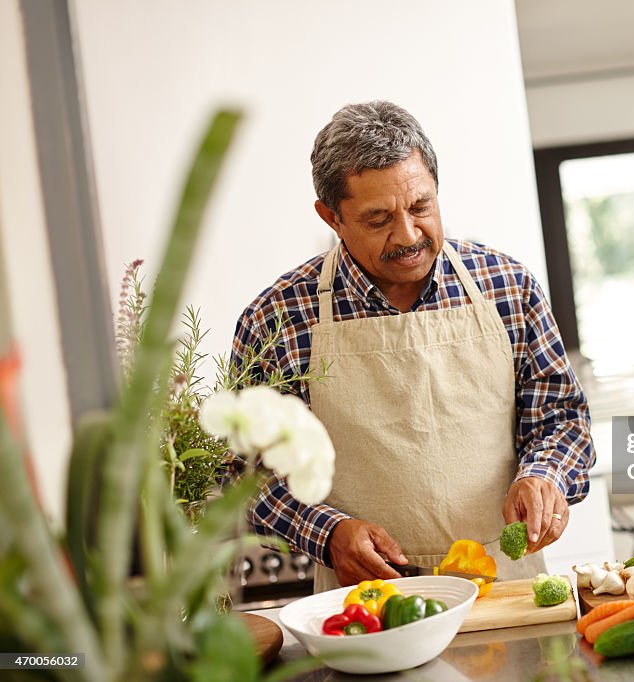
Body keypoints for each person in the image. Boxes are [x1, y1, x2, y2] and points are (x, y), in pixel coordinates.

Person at [233, 101, 593, 590]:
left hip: (504, 582)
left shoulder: (508, 286)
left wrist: (545, 475)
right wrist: (329, 534)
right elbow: (252, 474)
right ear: (331, 217)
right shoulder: (274, 319)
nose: (407, 235)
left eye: (421, 206)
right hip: (366, 598)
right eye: (378, 219)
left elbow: (561, 419)